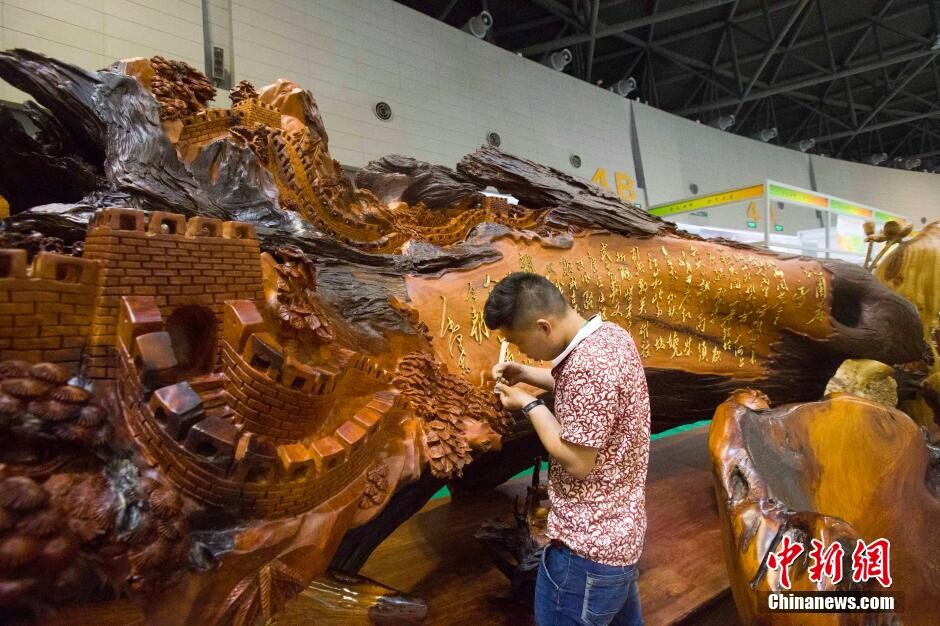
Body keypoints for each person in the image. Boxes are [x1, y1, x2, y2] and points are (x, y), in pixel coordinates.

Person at [484, 271, 650, 626]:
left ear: (544, 326)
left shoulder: (590, 367)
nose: (521, 350)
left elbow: (576, 461)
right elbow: (578, 387)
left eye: (519, 342)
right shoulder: (609, 336)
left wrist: (530, 405)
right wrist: (526, 373)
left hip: (586, 553)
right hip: (620, 538)